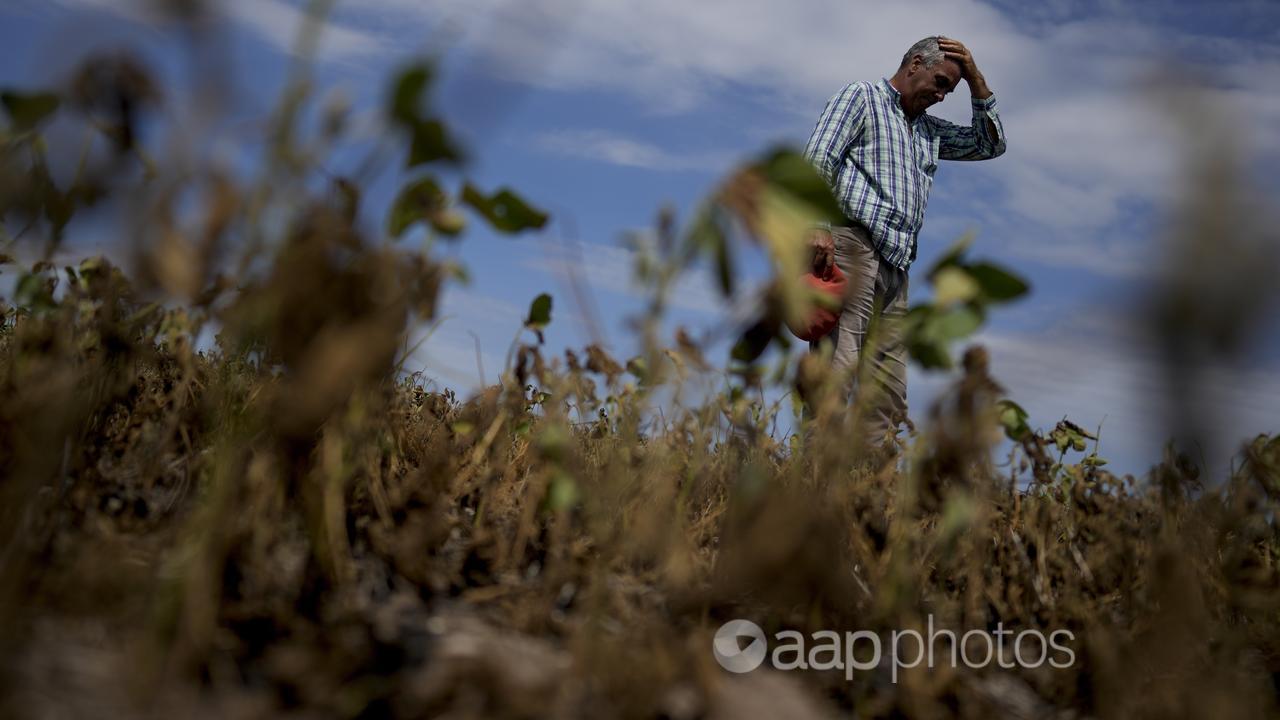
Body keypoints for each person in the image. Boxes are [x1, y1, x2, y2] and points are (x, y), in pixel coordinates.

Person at [801, 35, 1006, 446]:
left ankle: (871, 495)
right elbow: (819, 157)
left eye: (951, 87)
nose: (944, 95)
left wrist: (976, 80)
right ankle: (811, 487)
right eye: (943, 82)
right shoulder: (862, 97)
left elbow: (989, 144)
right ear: (915, 64)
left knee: (888, 393)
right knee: (836, 371)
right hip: (851, 249)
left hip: (898, 268)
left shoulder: (930, 131)